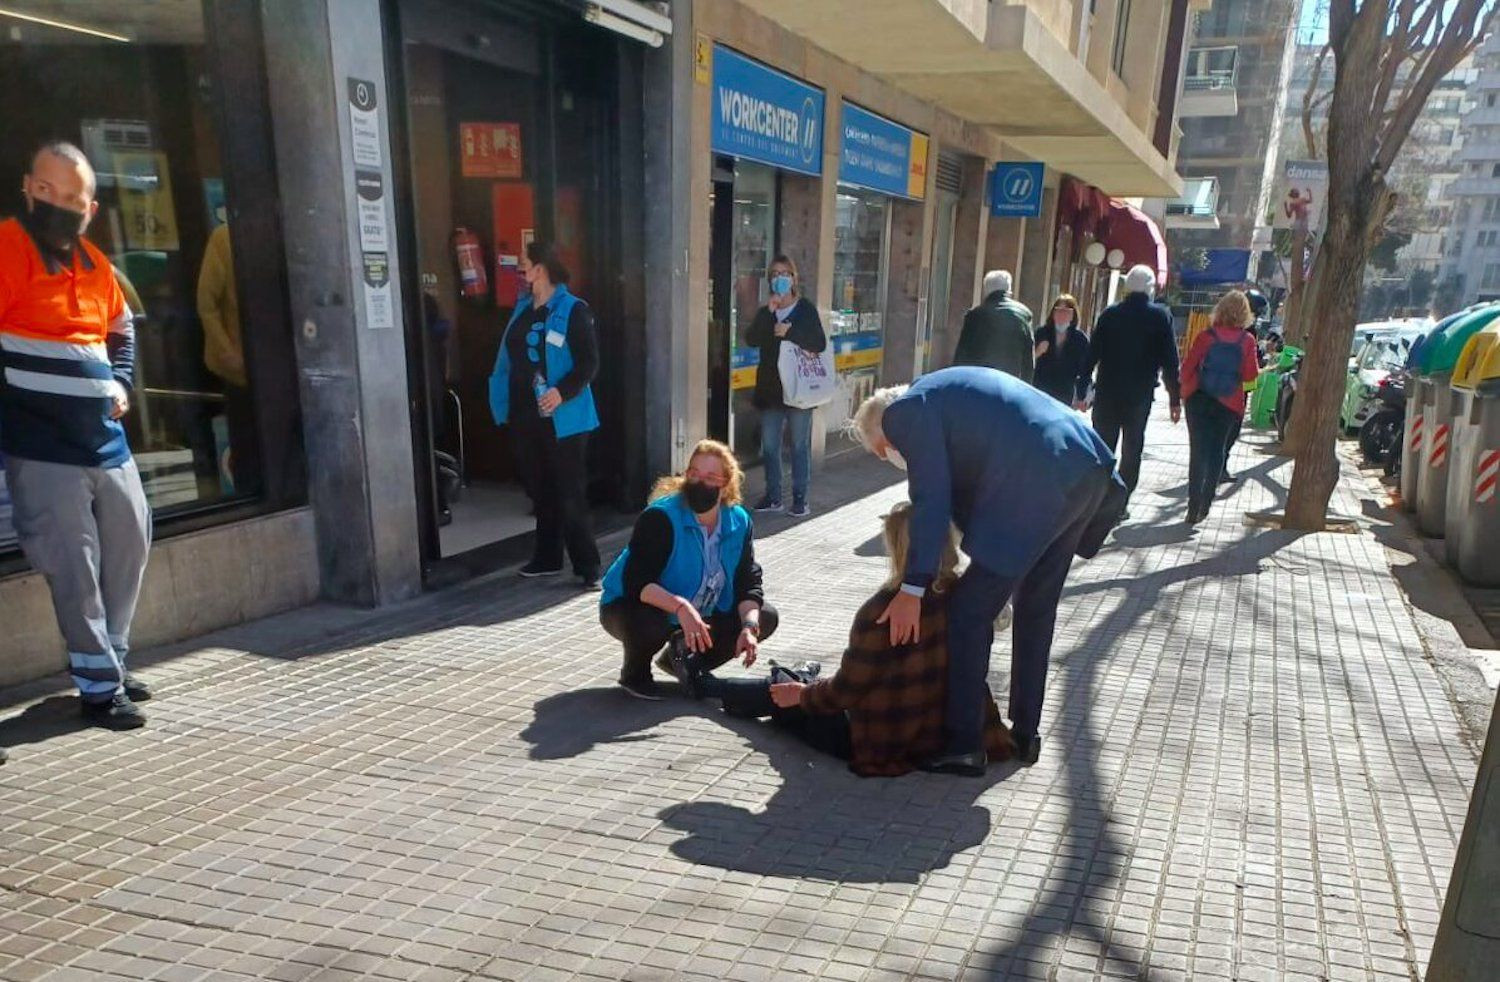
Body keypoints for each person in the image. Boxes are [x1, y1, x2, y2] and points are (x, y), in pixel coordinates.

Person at [852, 367, 1125, 774]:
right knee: (1036, 607)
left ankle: (964, 745)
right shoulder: (945, 395)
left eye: (882, 451)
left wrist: (912, 588)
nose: (891, 457)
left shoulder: (904, 412)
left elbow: (931, 498)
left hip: (1039, 482)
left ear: (884, 432)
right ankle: (1025, 731)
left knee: (967, 613)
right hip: (1086, 469)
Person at [685, 503, 1014, 776]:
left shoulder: (883, 609)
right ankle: (772, 680)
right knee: (793, 687)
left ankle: (704, 685)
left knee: (784, 696)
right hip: (947, 731)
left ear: (897, 549)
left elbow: (846, 691)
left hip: (883, 737)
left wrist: (802, 696)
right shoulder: (968, 597)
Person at [0, 142, 151, 729]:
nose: (60, 206)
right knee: (74, 564)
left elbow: (122, 326)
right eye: (49, 192)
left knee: (131, 539)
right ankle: (97, 684)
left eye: (74, 199)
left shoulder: (94, 262)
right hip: (41, 444)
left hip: (104, 438)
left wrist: (122, 382)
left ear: (89, 208)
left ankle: (111, 656)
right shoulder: (6, 249)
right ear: (27, 188)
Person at [599, 439, 778, 700]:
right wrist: (681, 608)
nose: (698, 482)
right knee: (651, 624)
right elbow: (637, 582)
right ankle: (634, 673)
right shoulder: (660, 517)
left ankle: (683, 662)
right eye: (693, 474)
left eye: (710, 477)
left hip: (701, 611)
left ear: (725, 483)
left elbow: (747, 581)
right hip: (631, 605)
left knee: (765, 617)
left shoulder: (739, 521)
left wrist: (749, 628)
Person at [488, 241, 601, 586]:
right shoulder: (522, 309)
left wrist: (561, 392)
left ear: (541, 269)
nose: (520, 272)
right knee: (540, 489)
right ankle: (548, 557)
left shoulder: (573, 309)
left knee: (569, 490)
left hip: (564, 417)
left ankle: (587, 566)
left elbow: (588, 363)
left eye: (524, 265)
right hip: (526, 414)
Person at [1081, 263, 1181, 517]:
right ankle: (1120, 502)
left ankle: (1099, 498)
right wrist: (1175, 398)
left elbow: (1092, 353)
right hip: (1139, 395)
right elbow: (1170, 361)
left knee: (1102, 446)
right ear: (1149, 288)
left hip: (1107, 391)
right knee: (1132, 448)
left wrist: (1083, 384)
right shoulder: (1160, 317)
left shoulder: (1109, 314)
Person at [745, 255, 826, 518]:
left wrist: (789, 333)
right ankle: (773, 495)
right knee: (770, 445)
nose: (781, 278)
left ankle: (800, 498)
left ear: (794, 278)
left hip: (799, 389)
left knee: (799, 445)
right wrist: (768, 314)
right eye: (775, 274)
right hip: (771, 390)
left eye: (785, 273)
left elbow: (819, 343)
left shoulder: (805, 310)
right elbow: (751, 339)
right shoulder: (766, 311)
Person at [1180, 290, 1260, 525]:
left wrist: (1184, 391)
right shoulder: (1247, 341)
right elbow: (1250, 374)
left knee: (1198, 452)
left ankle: (1192, 505)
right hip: (1229, 403)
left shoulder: (1206, 336)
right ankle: (1206, 503)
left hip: (1200, 399)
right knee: (1217, 452)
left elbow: (1187, 368)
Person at [196, 221, 260, 493]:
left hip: (278, 366)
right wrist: (228, 351)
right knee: (246, 445)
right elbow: (206, 304)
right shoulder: (224, 239)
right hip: (240, 370)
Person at [952, 269, 1034, 382]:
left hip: (980, 380)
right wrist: (1026, 386)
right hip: (1009, 380)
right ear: (1008, 290)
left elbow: (961, 355)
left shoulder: (975, 315)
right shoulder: (1024, 314)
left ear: (986, 290)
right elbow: (1028, 359)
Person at [1032, 293, 1091, 405]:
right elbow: (1027, 361)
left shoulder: (1080, 339)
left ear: (1073, 315)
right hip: (1040, 391)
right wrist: (1038, 352)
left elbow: (1085, 370)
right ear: (1053, 313)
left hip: (1065, 395)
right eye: (1058, 310)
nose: (1062, 315)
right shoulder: (1041, 333)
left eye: (1067, 312)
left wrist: (1082, 396)